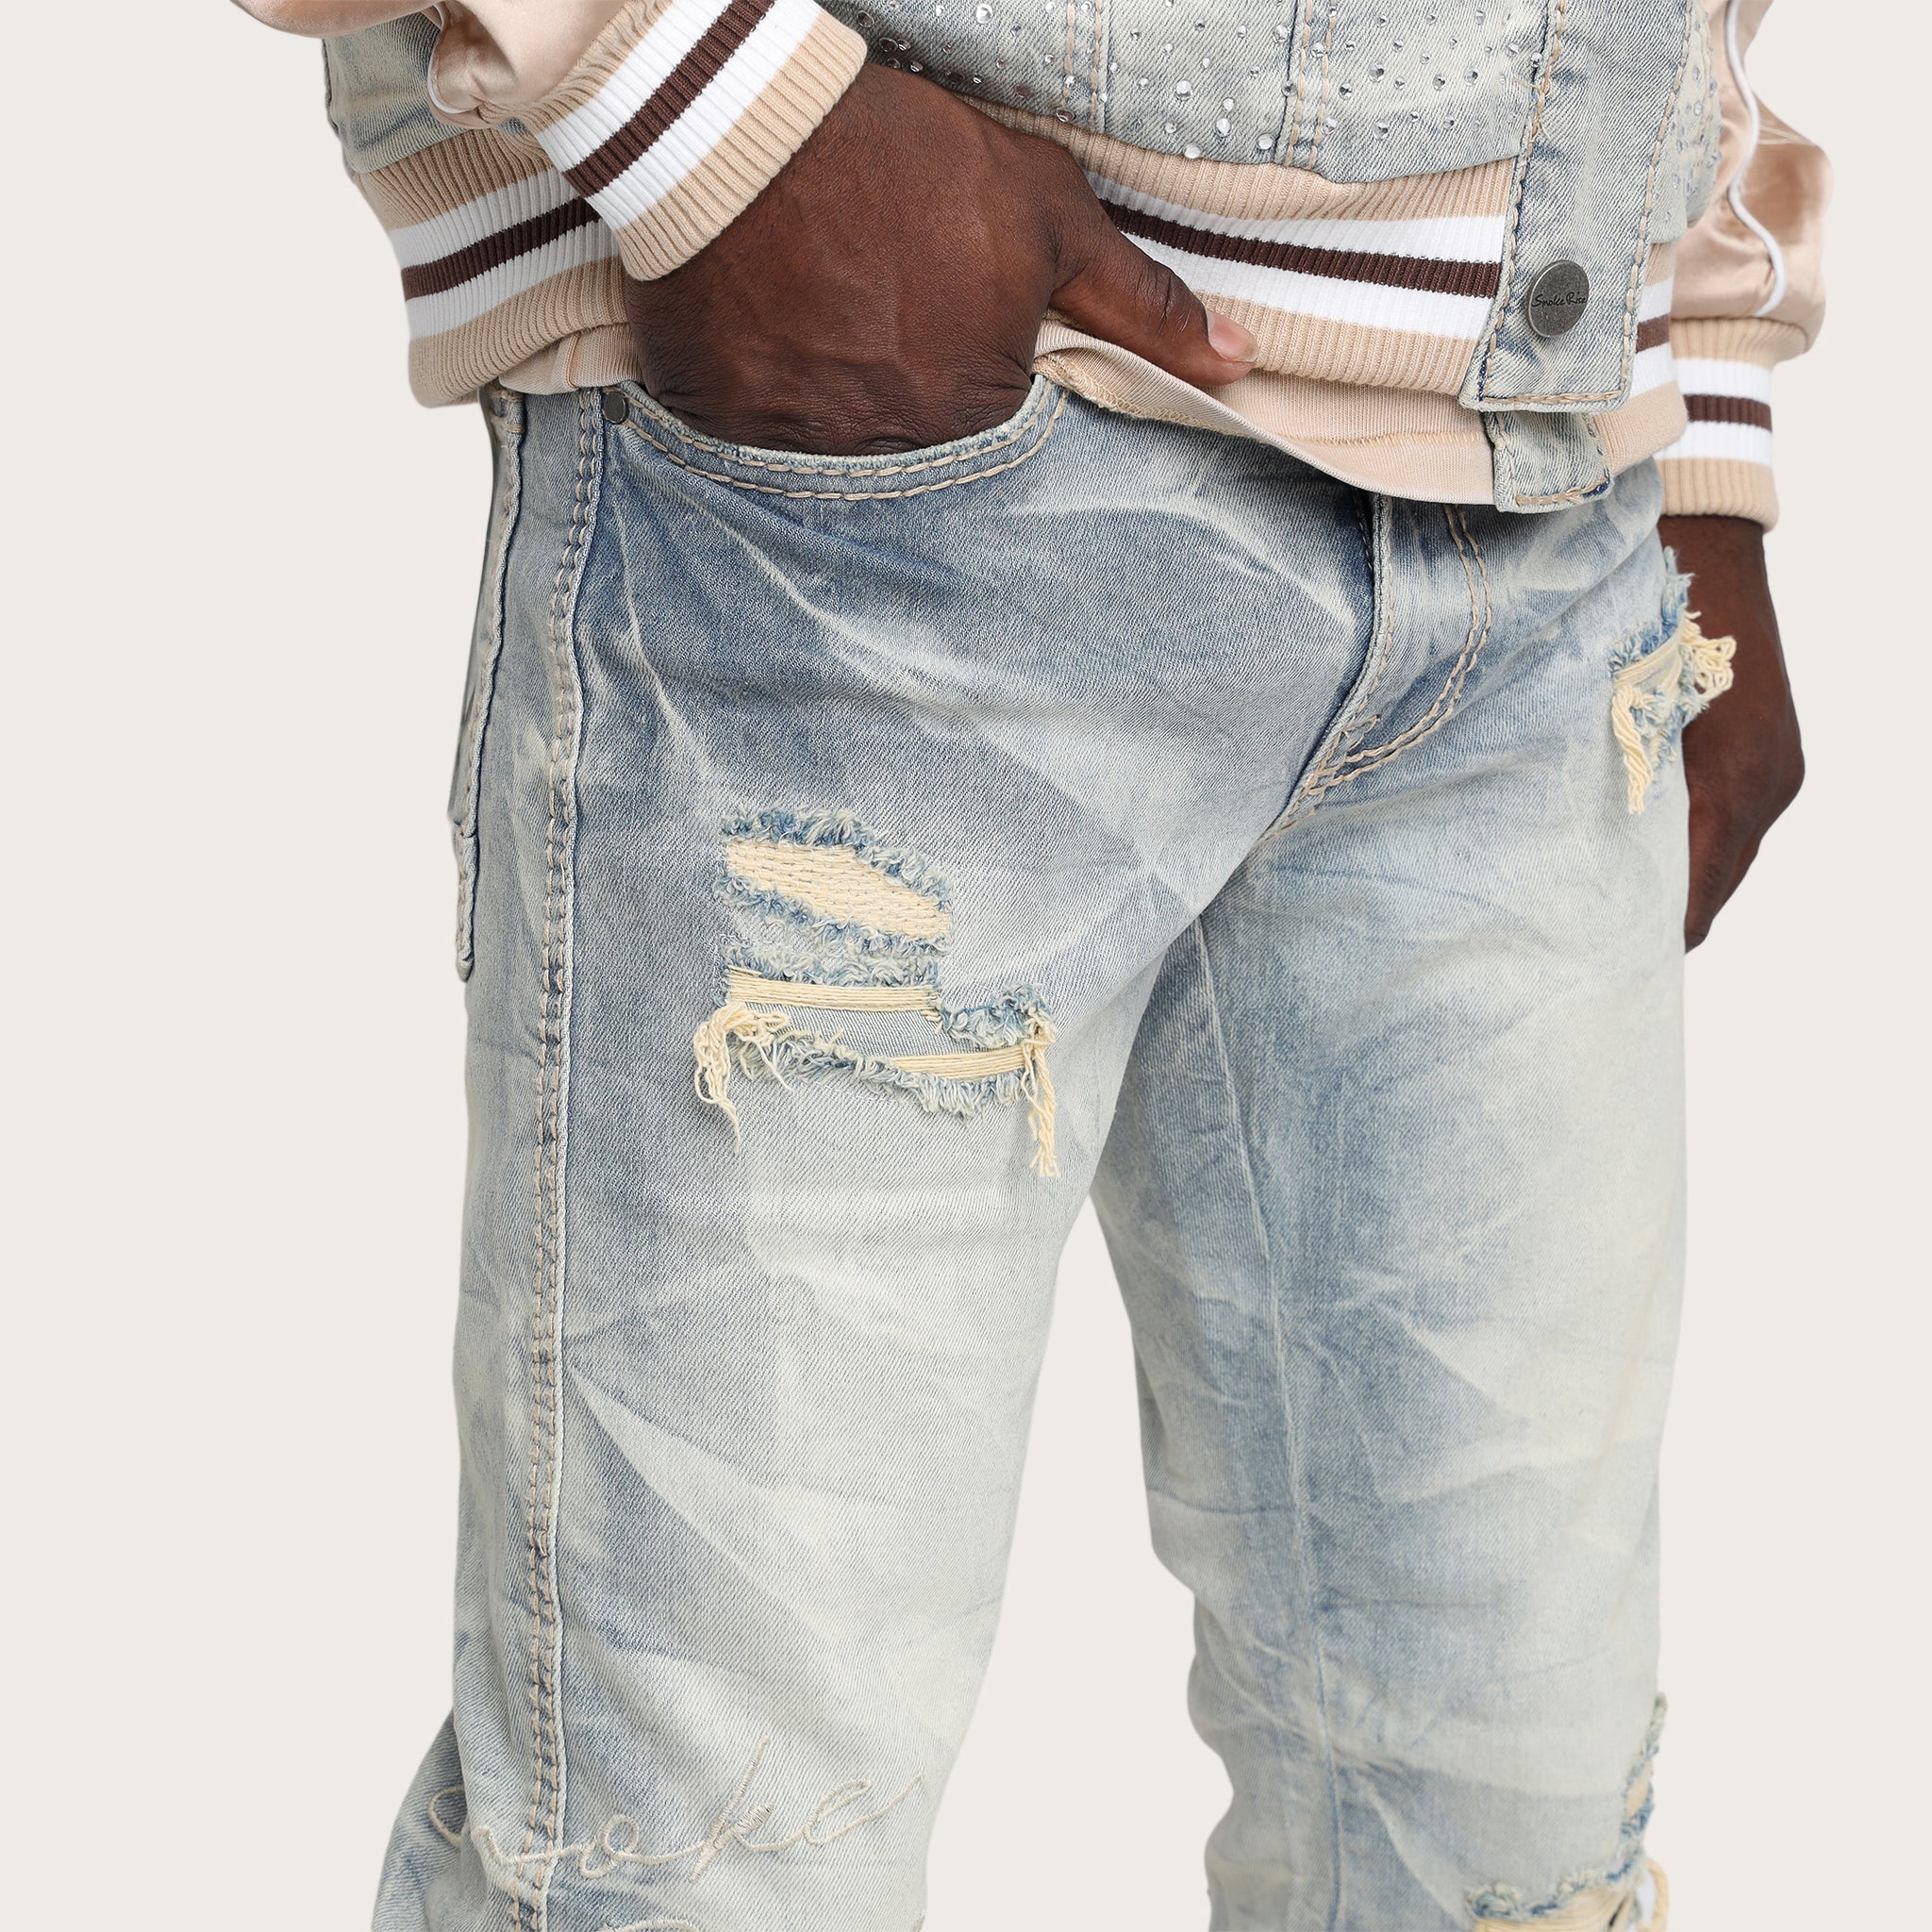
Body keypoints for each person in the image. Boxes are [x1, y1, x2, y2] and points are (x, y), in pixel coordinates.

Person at [236, 3, 1826, 1927]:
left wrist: (1704, 395)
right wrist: (694, 98)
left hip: (1554, 518)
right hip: (887, 505)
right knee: (703, 1860)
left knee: (1516, 1855)